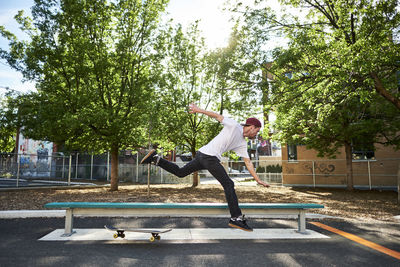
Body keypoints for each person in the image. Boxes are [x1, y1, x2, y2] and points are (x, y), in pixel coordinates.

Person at [140, 103, 270, 231]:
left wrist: (257, 179)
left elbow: (248, 163)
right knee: (229, 184)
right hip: (209, 157)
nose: (256, 134)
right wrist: (198, 110)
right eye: (257, 131)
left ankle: (156, 159)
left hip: (202, 155)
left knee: (180, 172)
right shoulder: (234, 125)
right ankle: (236, 218)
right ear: (252, 127)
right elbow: (217, 116)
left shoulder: (242, 143)